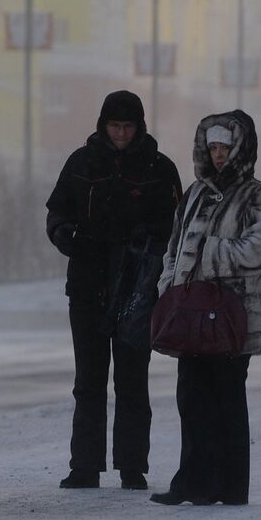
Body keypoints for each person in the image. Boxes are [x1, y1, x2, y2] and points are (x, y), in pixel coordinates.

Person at [44, 90, 182, 490]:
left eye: (127, 126)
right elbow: (57, 210)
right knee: (88, 379)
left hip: (137, 291)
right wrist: (63, 234)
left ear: (139, 127)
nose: (121, 133)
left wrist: (148, 243)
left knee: (132, 380)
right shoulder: (81, 162)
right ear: (102, 125)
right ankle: (85, 465)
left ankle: (132, 466)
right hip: (87, 285)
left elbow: (176, 226)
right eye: (114, 126)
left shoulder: (159, 168)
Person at [150, 111, 261, 507]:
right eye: (213, 147)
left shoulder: (257, 195)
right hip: (191, 315)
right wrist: (168, 285)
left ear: (241, 148)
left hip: (231, 317)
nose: (219, 155)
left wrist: (210, 255)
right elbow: (173, 247)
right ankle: (192, 483)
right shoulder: (194, 194)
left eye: (226, 147)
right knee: (191, 397)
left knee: (226, 398)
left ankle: (229, 486)